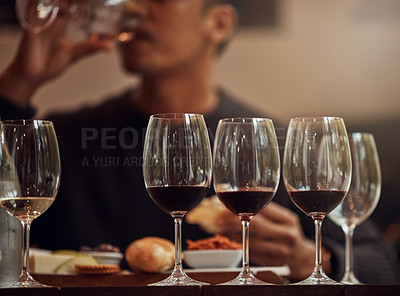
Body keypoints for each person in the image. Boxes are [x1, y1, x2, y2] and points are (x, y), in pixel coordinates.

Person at [0, 0, 399, 284]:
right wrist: (20, 80)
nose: (135, 8)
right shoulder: (65, 137)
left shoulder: (276, 145)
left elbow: (381, 264)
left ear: (219, 23)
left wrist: (311, 258)